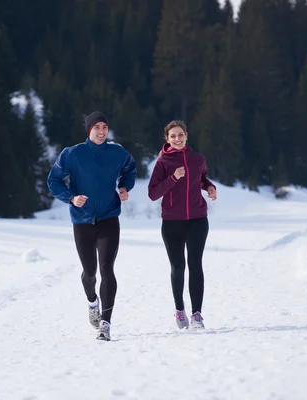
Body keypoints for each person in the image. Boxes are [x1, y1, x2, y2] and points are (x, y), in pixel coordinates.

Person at [47, 111, 137, 341]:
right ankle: (92, 302)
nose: (101, 131)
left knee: (107, 268)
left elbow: (130, 169)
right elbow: (53, 179)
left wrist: (125, 187)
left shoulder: (117, 152)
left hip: (108, 218)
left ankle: (105, 324)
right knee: (90, 273)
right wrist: (71, 197)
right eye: (96, 127)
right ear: (89, 130)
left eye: (104, 127)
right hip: (82, 220)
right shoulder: (73, 153)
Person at [147, 120, 217, 330]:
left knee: (196, 264)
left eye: (180, 135)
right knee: (178, 267)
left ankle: (197, 315)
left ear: (187, 135)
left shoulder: (198, 159)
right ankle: (179, 310)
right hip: (172, 222)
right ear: (167, 139)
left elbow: (201, 179)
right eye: (173, 136)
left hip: (197, 219)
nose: (177, 139)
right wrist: (173, 178)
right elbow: (153, 193)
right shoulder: (163, 163)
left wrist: (210, 187)